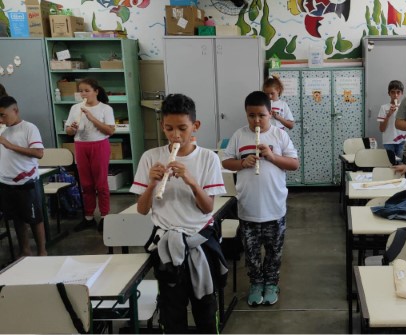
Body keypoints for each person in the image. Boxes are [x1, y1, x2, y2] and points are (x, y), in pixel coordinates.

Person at [130, 93, 227, 333]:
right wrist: (152, 183)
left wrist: (190, 180)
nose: (176, 135)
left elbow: (207, 207)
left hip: (200, 241)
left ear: (195, 126)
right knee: (172, 312)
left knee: (205, 309)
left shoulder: (208, 159)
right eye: (169, 128)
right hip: (166, 244)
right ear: (162, 126)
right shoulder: (150, 157)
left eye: (182, 128)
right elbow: (142, 210)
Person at [222, 91, 299, 306]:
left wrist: (273, 157)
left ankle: (271, 283)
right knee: (252, 252)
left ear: (270, 114)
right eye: (251, 115)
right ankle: (256, 283)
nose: (256, 120)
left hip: (274, 207)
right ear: (246, 114)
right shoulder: (239, 135)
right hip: (248, 207)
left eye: (261, 115)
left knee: (274, 251)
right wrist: (242, 163)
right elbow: (226, 162)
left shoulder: (279, 135)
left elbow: (294, 164)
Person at [64, 78, 115, 232]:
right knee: (86, 184)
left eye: (87, 90)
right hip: (80, 145)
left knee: (101, 184)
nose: (83, 94)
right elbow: (68, 131)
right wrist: (72, 129)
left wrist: (92, 118)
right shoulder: (75, 108)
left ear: (96, 91)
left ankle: (105, 216)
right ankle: (88, 217)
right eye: (81, 91)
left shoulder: (105, 109)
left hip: (99, 145)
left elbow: (110, 131)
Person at [0, 96, 46, 256]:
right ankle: (25, 251)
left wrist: (10, 145)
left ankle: (42, 251)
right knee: (17, 219)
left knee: (34, 219)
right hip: (6, 183)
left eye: (3, 115)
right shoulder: (2, 130)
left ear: (15, 111)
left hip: (26, 183)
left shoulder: (28, 128)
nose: (1, 119)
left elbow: (39, 153)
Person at [376, 80, 406, 158]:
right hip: (388, 141)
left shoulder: (405, 107)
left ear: (402, 93)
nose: (395, 95)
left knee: (400, 164)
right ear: (389, 93)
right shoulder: (384, 107)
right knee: (390, 164)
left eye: (398, 92)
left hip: (403, 141)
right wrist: (388, 115)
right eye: (393, 92)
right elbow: (381, 129)